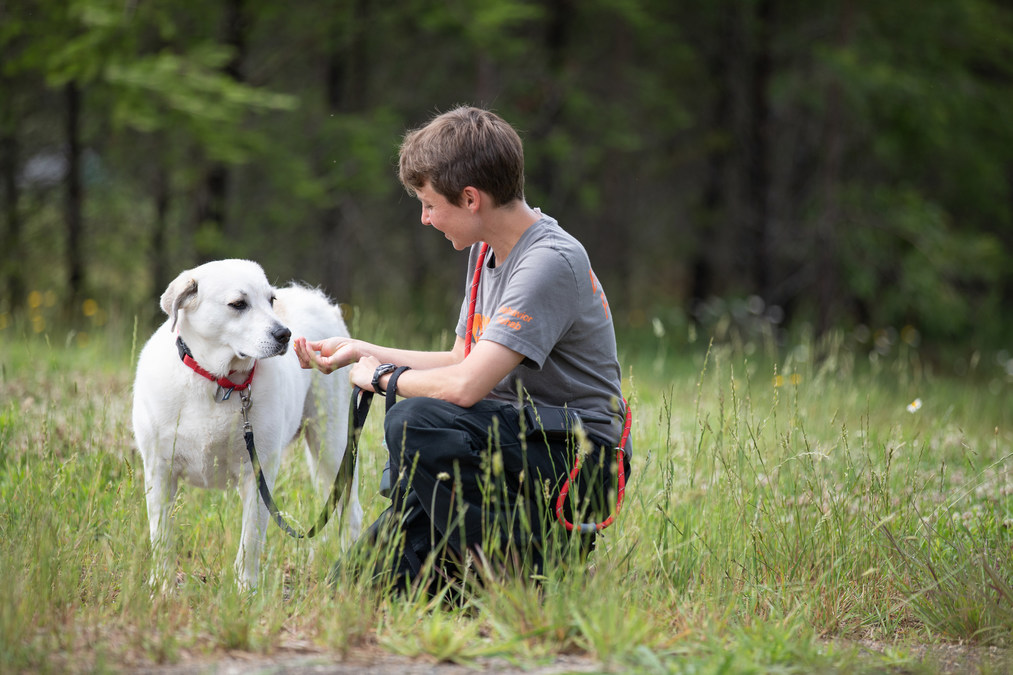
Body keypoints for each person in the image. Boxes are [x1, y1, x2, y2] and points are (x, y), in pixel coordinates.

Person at [294, 105, 629, 594]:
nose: (425, 219)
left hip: (576, 461)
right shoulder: (484, 249)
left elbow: (467, 386)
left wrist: (383, 379)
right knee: (356, 587)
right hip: (506, 445)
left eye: (429, 204)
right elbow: (460, 360)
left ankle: (525, 576)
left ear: (471, 198)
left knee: (416, 421)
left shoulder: (550, 261)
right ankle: (471, 568)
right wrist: (360, 350)